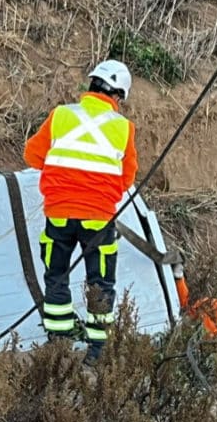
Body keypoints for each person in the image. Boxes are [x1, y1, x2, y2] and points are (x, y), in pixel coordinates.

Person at [23, 60, 139, 363]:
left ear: (90, 85)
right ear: (118, 96)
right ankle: (97, 353)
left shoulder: (62, 115)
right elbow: (127, 179)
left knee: (56, 276)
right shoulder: (123, 128)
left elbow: (32, 155)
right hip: (99, 219)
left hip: (58, 214)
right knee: (100, 285)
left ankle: (58, 343)